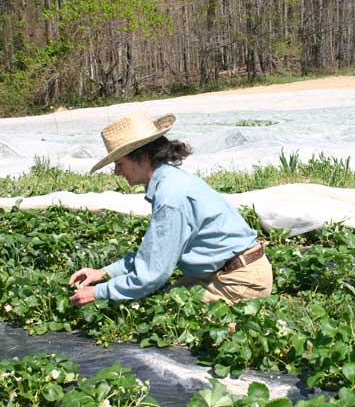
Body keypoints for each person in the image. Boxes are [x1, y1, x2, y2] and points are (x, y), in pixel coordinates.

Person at [69, 111, 273, 306]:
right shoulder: (170, 180)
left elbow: (153, 272)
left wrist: (98, 292)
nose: (116, 172)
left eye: (119, 163)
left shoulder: (171, 196)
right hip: (231, 270)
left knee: (166, 313)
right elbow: (153, 253)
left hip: (242, 281)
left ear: (140, 158)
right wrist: (104, 273)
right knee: (161, 300)